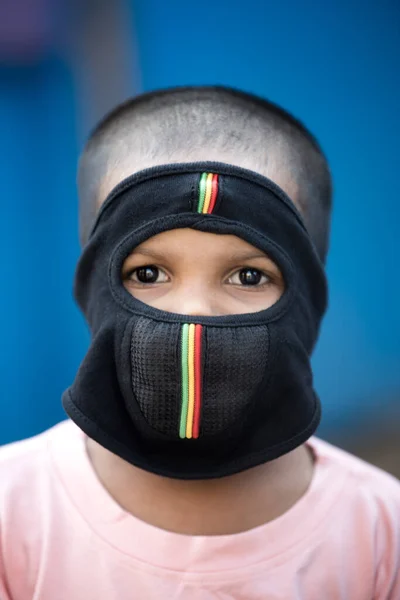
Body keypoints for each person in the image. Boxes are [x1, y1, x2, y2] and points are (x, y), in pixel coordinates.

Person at [1, 86, 399, 599]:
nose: (194, 313)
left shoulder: (381, 531)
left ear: (309, 295)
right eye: (147, 272)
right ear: (92, 287)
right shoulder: (12, 512)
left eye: (248, 277)